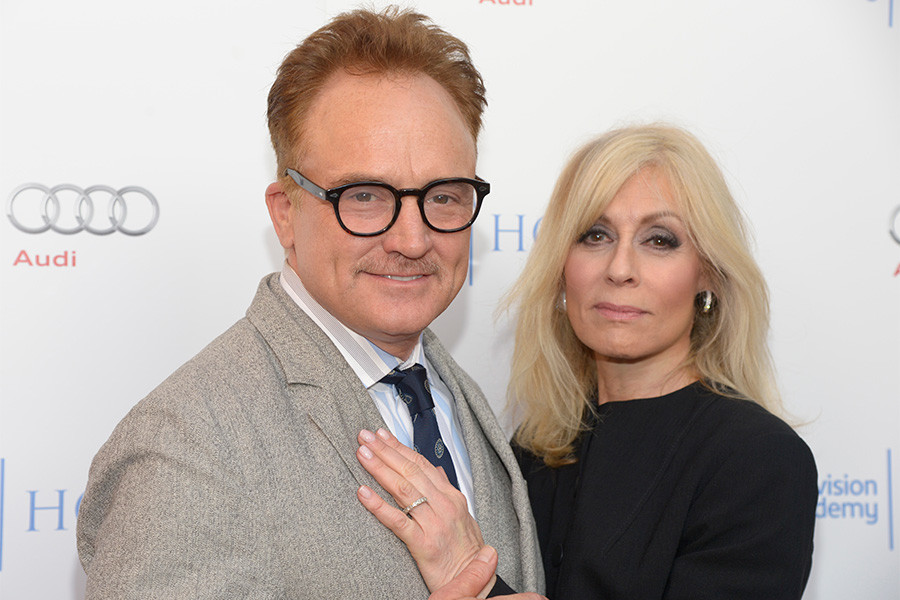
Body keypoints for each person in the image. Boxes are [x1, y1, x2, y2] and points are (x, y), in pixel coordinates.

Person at [75, 7, 543, 599]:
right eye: (365, 196)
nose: (412, 239)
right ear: (285, 213)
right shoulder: (186, 445)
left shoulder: (457, 397)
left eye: (444, 196)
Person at [355, 124, 818, 599]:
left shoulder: (759, 461)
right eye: (595, 235)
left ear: (710, 276)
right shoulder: (535, 451)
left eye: (660, 240)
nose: (619, 269)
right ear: (561, 267)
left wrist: (469, 574)